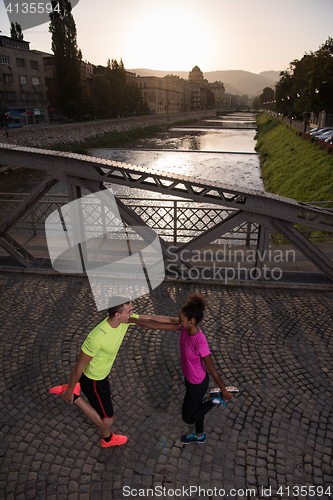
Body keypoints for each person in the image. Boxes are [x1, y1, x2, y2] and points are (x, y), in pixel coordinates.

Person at [53, 298, 173, 448]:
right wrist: (69, 391)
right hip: (93, 381)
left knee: (102, 410)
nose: (132, 313)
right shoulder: (97, 337)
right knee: (107, 421)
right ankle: (75, 396)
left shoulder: (124, 321)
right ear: (117, 314)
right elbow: (79, 366)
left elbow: (152, 320)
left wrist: (180, 324)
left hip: (102, 376)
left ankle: (107, 439)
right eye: (129, 311)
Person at [130, 293, 233, 444]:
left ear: (191, 321)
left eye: (181, 320)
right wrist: (134, 319)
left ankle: (215, 400)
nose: (178, 322)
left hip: (197, 383)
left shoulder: (200, 342)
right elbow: (159, 323)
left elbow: (213, 371)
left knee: (188, 417)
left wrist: (224, 391)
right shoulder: (185, 328)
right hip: (190, 378)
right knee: (197, 408)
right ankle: (199, 436)